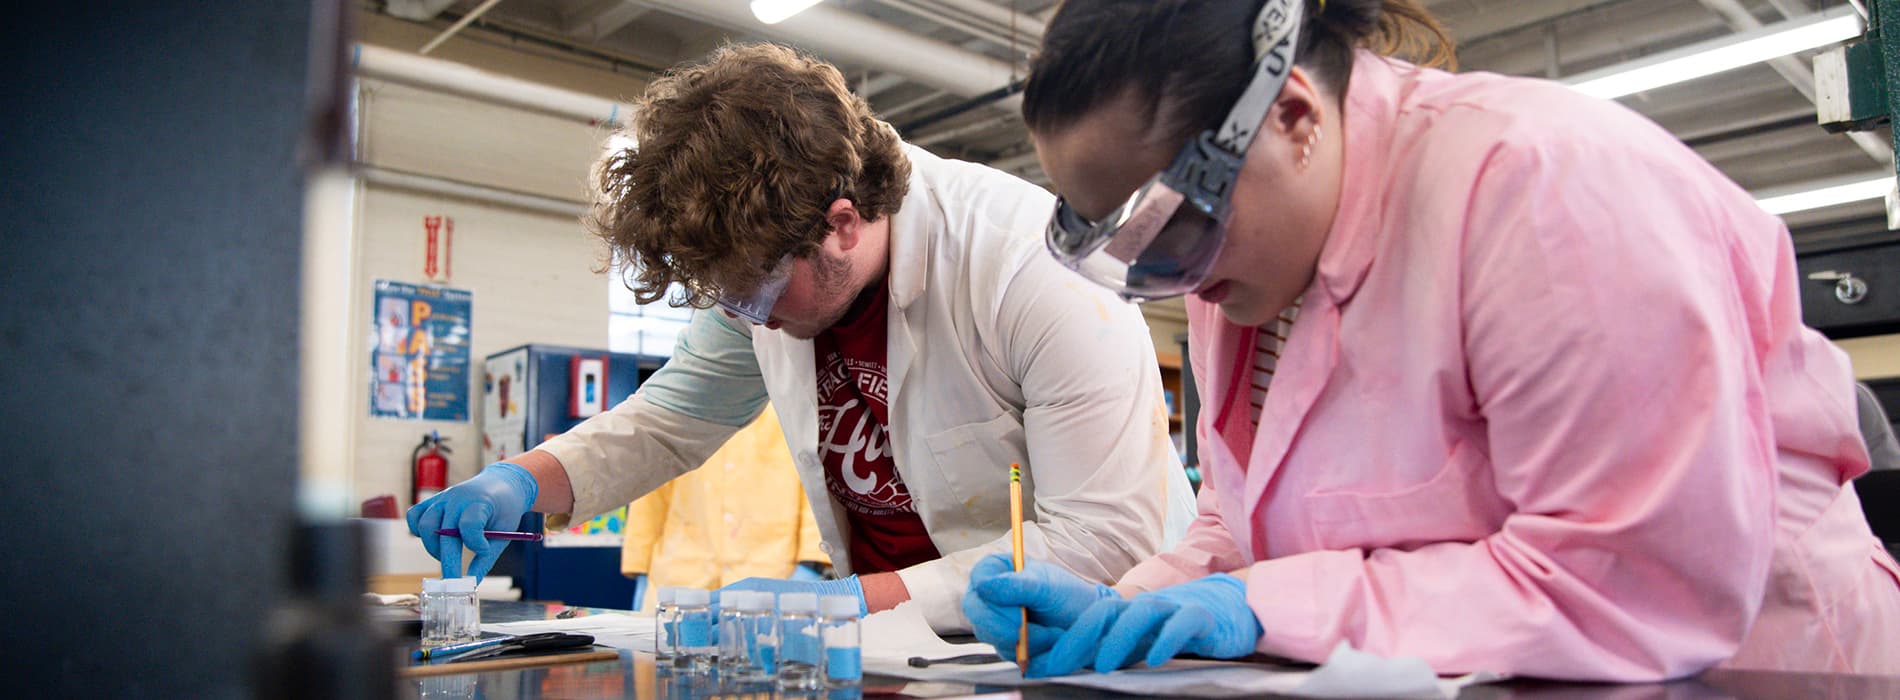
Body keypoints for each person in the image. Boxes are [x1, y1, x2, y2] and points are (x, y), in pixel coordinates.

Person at [964, 0, 1900, 682]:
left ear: (1291, 116)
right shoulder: (1241, 254)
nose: (1170, 276)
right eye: (1126, 250)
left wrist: (1261, 606)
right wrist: (1135, 606)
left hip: (1759, 670)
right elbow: (1241, 520)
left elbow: (1630, 582)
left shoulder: (1541, 189)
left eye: (1167, 229)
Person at [407, 42, 1197, 632]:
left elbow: (1100, 542)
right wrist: (519, 481)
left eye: (751, 291)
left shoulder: (1033, 267)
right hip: (905, 647)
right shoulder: (769, 272)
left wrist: (846, 600)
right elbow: (669, 419)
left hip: (1096, 639)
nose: (746, 318)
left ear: (841, 224)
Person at [620, 404, 830, 611]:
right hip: (680, 580)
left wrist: (811, 563)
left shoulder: (789, 407)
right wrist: (640, 570)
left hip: (771, 580)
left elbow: (814, 486)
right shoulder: (681, 407)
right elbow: (650, 495)